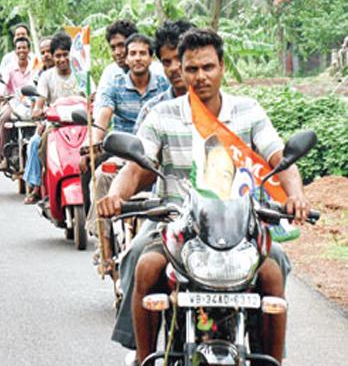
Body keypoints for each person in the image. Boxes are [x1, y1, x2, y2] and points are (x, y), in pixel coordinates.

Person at [96, 29, 308, 365]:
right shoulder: (163, 115)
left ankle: (274, 360)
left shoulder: (247, 112)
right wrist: (117, 196)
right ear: (180, 68)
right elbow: (137, 168)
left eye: (208, 67)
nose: (200, 76)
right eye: (192, 68)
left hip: (239, 227)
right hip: (174, 224)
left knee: (274, 268)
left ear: (222, 66)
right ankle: (142, 356)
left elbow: (279, 159)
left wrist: (295, 195)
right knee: (143, 262)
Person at [85, 20, 195, 269]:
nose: (176, 69)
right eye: (168, 62)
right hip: (167, 206)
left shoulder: (238, 111)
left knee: (269, 266)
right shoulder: (152, 108)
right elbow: (137, 166)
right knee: (137, 265)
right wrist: (115, 197)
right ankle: (106, 248)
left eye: (181, 60)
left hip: (217, 214)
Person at [21, 32, 93, 204]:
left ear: (71, 54)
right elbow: (39, 104)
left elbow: (94, 97)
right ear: (53, 57)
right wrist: (38, 112)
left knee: (97, 148)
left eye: (65, 54)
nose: (61, 59)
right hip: (56, 125)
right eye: (58, 56)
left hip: (82, 125)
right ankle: (43, 184)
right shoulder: (46, 76)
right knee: (40, 144)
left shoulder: (82, 75)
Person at [93, 34, 170, 141]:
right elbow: (103, 116)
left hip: (154, 146)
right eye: (133, 54)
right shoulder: (115, 85)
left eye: (142, 53)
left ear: (151, 59)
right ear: (126, 59)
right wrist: (94, 139)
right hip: (121, 150)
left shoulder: (164, 85)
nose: (137, 58)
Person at [95, 20, 164, 108]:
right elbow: (100, 108)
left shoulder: (159, 73)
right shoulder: (110, 74)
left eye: (121, 45)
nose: (117, 52)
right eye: (113, 48)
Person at [0, 36, 35, 171]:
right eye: (19, 48)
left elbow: (40, 81)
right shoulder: (10, 68)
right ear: (15, 51)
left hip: (32, 104)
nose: (22, 50)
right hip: (14, 102)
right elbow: (3, 84)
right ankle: (4, 156)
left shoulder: (35, 65)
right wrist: (0, 93)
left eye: (24, 47)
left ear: (28, 50)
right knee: (5, 117)